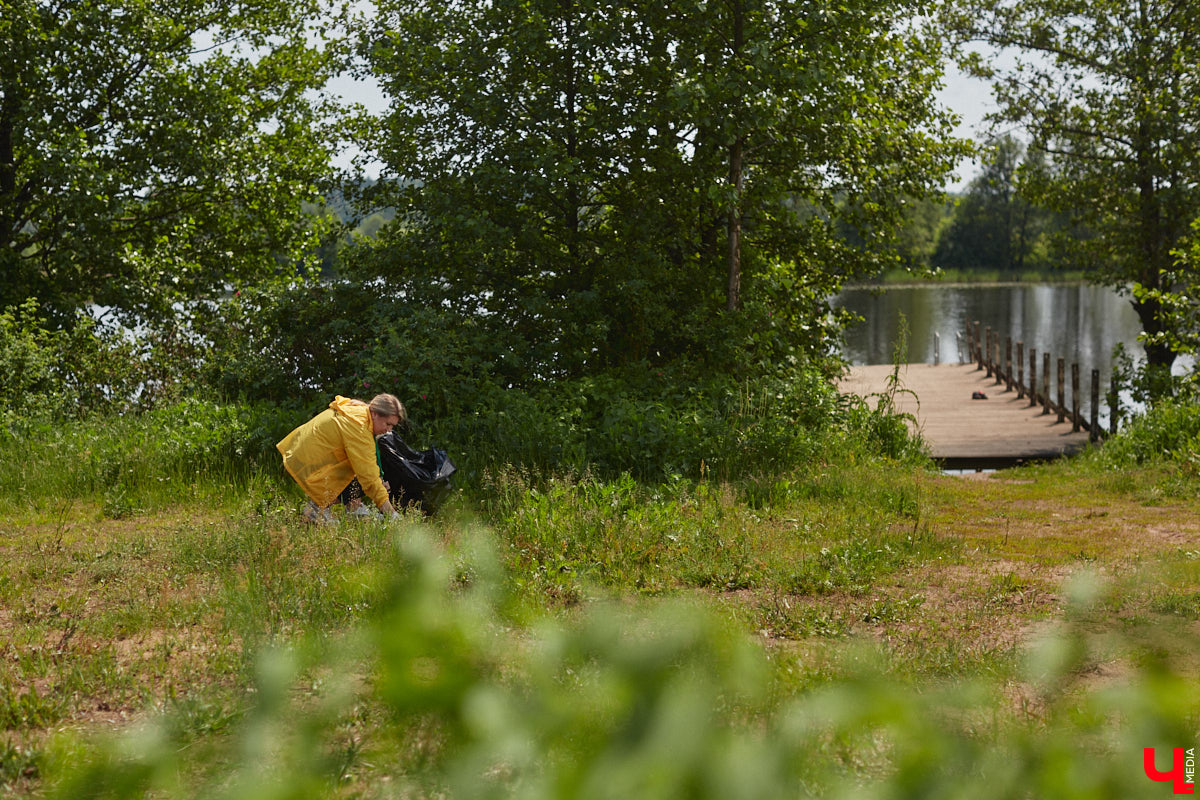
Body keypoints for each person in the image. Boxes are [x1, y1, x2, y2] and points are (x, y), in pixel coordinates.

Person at [276, 393, 406, 523]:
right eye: (387, 424)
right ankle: (315, 509)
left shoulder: (359, 412)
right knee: (367, 474)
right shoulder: (359, 427)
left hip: (302, 452)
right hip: (310, 462)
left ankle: (353, 507)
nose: (388, 430)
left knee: (363, 465)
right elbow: (369, 477)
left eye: (392, 426)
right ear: (375, 414)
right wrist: (392, 514)